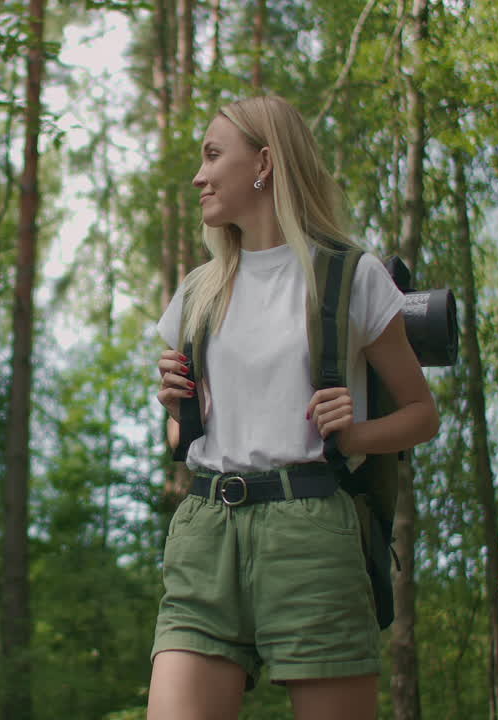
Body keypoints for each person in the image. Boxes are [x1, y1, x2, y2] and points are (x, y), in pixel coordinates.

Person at [149, 95, 440, 720]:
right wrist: (177, 410)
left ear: (264, 162)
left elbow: (423, 414)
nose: (198, 176)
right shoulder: (199, 290)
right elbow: (182, 439)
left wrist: (356, 434)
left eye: (211, 155)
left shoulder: (351, 277)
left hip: (310, 532)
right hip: (203, 529)